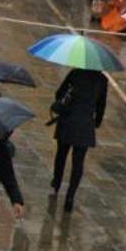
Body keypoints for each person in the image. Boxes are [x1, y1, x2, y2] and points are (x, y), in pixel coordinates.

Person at [48, 68, 107, 210]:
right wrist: (97, 122)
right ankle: (70, 196)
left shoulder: (75, 73)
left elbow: (59, 93)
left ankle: (57, 182)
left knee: (61, 154)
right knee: (78, 162)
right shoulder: (102, 80)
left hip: (68, 120)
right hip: (85, 124)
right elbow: (101, 105)